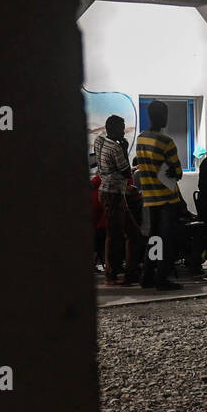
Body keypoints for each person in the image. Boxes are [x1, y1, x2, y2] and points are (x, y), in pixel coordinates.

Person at [135, 100, 185, 290]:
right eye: (165, 114)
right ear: (160, 116)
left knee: (153, 239)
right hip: (166, 198)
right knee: (166, 240)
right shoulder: (166, 142)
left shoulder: (140, 139)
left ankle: (148, 275)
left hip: (148, 198)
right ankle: (161, 279)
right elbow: (178, 172)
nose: (166, 118)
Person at [92, 114, 139, 286]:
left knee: (132, 234)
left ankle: (129, 272)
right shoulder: (116, 148)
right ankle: (111, 275)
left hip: (109, 191)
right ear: (114, 129)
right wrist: (125, 149)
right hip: (113, 194)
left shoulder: (99, 140)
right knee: (114, 236)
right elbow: (127, 173)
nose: (124, 132)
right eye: (122, 128)